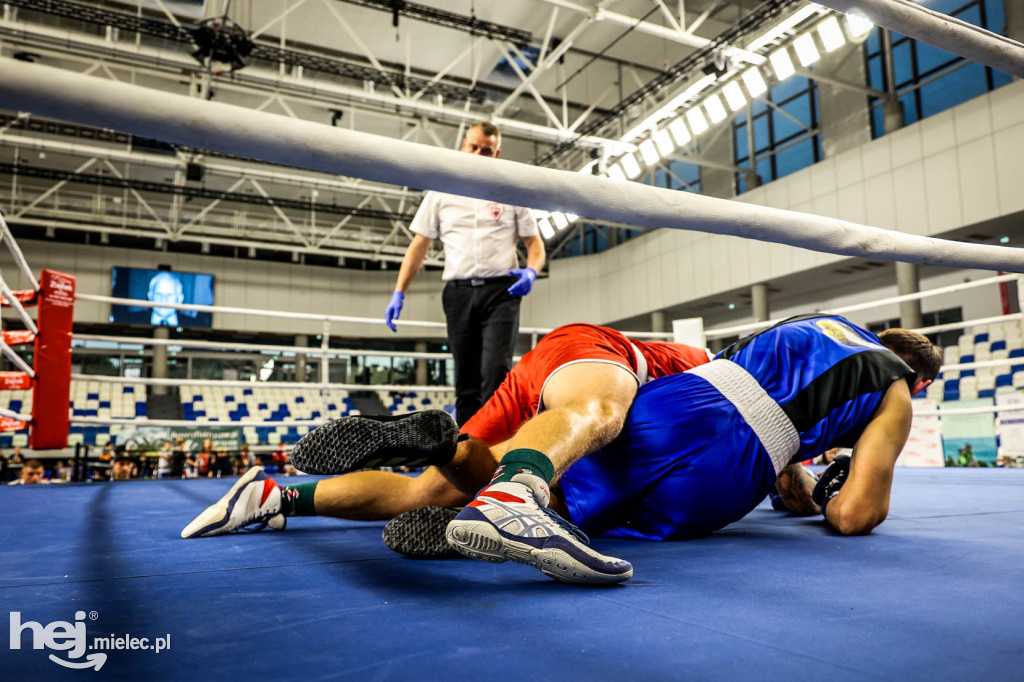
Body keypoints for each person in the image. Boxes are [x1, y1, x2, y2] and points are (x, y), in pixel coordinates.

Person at [180, 323, 712, 546]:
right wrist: (795, 487)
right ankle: (485, 495)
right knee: (599, 416)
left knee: (430, 488)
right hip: (592, 360)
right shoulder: (725, 373)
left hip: (543, 369)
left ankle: (274, 495)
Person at [384, 121, 546, 426]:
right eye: (473, 147)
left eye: (486, 150)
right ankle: (470, 448)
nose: (478, 154)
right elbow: (419, 245)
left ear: (496, 153)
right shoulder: (441, 191)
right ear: (463, 146)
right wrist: (399, 291)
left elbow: (534, 244)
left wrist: (532, 272)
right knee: (465, 377)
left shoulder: (510, 190)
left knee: (497, 369)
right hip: (458, 292)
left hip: (502, 291)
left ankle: (497, 441)